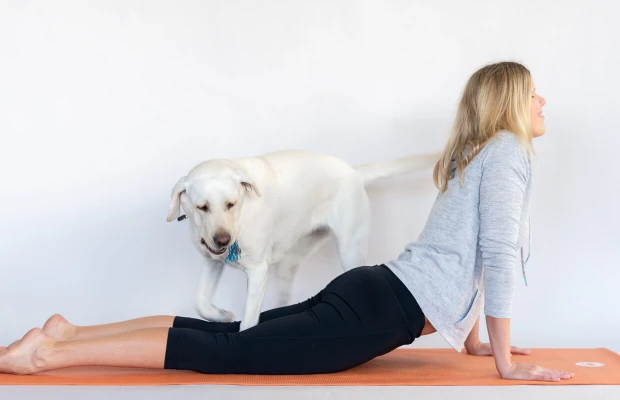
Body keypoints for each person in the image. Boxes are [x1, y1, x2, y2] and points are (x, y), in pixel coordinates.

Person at [0, 61, 572, 382]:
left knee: (230, 336)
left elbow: (460, 254)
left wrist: (470, 342)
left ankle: (66, 333)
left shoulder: (482, 153)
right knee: (230, 353)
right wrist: (504, 364)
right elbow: (492, 255)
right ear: (507, 104)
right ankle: (50, 355)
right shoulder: (509, 152)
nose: (542, 101)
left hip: (378, 292)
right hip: (383, 308)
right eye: (532, 95)